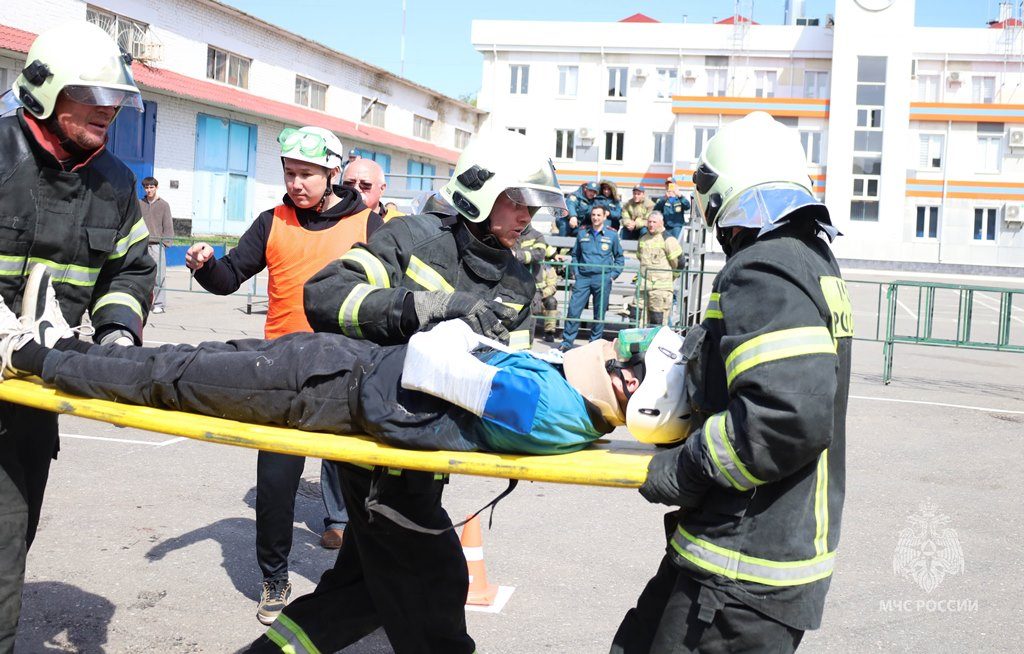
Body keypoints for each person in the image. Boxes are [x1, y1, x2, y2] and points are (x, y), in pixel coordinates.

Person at [240, 128, 568, 654]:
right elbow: (327, 296)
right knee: (438, 583)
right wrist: (431, 309)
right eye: (517, 201)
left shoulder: (517, 284)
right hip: (376, 450)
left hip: (427, 454)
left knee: (358, 592)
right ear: (480, 191)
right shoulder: (413, 239)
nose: (526, 216)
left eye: (533, 205)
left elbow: (515, 379)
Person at [0, 267, 690, 458]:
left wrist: (455, 316)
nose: (617, 350)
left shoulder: (543, 406)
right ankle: (64, 346)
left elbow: (430, 360)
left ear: (634, 389)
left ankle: (28, 355)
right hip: (340, 368)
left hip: (330, 387)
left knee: (170, 379)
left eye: (630, 362)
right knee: (187, 358)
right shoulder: (565, 401)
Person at [613, 111, 852, 653]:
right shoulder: (810, 259)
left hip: (741, 571)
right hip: (745, 553)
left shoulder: (763, 267)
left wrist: (682, 469)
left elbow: (783, 419)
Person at [185, 125, 382, 625]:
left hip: (347, 372)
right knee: (275, 489)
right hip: (282, 377)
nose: (296, 183)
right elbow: (229, 278)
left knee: (365, 491)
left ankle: (365, 581)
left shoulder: (368, 225)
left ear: (332, 173)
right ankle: (275, 578)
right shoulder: (271, 221)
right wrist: (206, 266)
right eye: (290, 173)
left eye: (307, 174)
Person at [0, 22, 156, 651]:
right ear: (45, 92)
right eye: (91, 94)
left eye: (116, 96)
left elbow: (130, 269)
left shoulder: (115, 184)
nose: (108, 108)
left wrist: (117, 332)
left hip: (28, 405)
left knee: (9, 546)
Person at [559, 205, 624, 352]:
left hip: (602, 278)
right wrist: (576, 273)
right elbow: (575, 255)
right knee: (573, 310)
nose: (595, 218)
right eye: (593, 215)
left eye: (599, 215)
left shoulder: (612, 235)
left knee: (599, 313)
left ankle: (594, 345)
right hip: (583, 278)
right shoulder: (582, 233)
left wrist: (612, 276)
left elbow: (619, 258)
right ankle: (567, 343)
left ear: (604, 217)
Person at [635, 211, 683, 327]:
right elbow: (640, 258)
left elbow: (679, 263)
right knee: (637, 319)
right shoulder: (643, 238)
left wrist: (671, 278)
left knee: (657, 322)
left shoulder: (668, 239)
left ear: (661, 223)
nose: (651, 224)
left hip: (661, 290)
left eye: (654, 222)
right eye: (649, 222)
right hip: (643, 287)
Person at [513, 224, 559, 343]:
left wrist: (543, 294)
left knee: (545, 306)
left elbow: (552, 285)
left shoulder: (547, 267)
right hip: (516, 285)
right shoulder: (513, 234)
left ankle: (548, 333)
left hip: (538, 293)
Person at [140, 176, 173, 314]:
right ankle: (143, 303)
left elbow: (168, 225)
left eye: (151, 187)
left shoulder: (164, 205)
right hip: (141, 245)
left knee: (159, 276)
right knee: (142, 275)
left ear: (156, 187)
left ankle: (159, 304)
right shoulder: (139, 203)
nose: (149, 190)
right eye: (146, 187)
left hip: (157, 245)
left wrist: (165, 243)